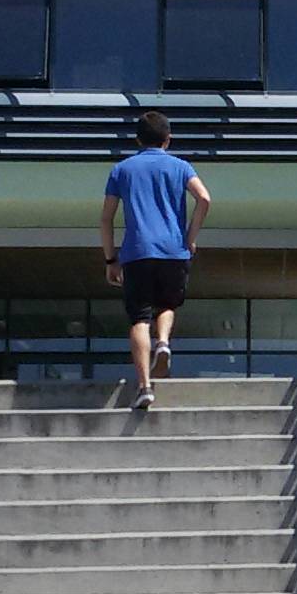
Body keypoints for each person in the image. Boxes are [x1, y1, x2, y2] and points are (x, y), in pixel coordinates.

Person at [101, 109, 211, 413]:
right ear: (168, 139)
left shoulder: (121, 170)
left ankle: (145, 387)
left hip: (136, 252)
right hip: (173, 250)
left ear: (138, 139)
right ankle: (163, 342)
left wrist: (111, 259)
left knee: (139, 319)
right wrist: (190, 236)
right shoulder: (181, 166)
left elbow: (106, 218)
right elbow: (204, 198)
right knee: (167, 305)